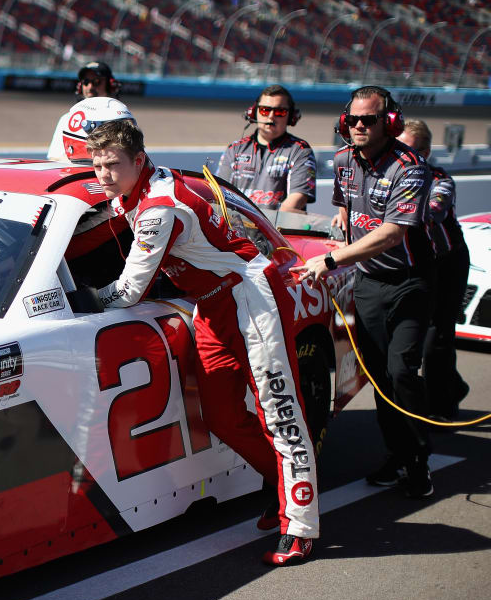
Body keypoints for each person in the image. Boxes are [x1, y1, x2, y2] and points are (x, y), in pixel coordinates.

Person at [84, 97, 321, 566]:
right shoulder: (135, 189)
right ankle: (280, 490)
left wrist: (83, 299)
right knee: (221, 415)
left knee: (280, 412)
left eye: (112, 165)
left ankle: (302, 525)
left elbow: (130, 290)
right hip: (211, 306)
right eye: (97, 165)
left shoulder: (157, 207)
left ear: (139, 160)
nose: (103, 175)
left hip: (250, 299)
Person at [302, 87, 435, 498]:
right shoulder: (342, 159)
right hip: (369, 283)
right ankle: (396, 453)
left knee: (401, 372)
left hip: (410, 281)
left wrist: (331, 260)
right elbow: (344, 204)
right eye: (353, 120)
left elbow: (393, 234)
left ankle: (418, 459)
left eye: (369, 120)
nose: (359, 126)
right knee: (378, 378)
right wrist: (341, 229)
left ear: (389, 122)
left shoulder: (410, 167)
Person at [399, 119, 471, 419]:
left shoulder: (441, 180)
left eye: (411, 150)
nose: (404, 157)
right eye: (398, 149)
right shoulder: (389, 177)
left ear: (426, 152)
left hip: (447, 263)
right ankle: (451, 386)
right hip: (414, 262)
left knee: (436, 338)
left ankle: (442, 407)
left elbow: (435, 211)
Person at [216, 84, 316, 212]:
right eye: (265, 110)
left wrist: (265, 227)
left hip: (275, 230)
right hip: (237, 228)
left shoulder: (301, 151)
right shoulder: (235, 149)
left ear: (291, 117)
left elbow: (298, 198)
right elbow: (219, 192)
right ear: (253, 113)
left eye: (280, 111)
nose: (271, 116)